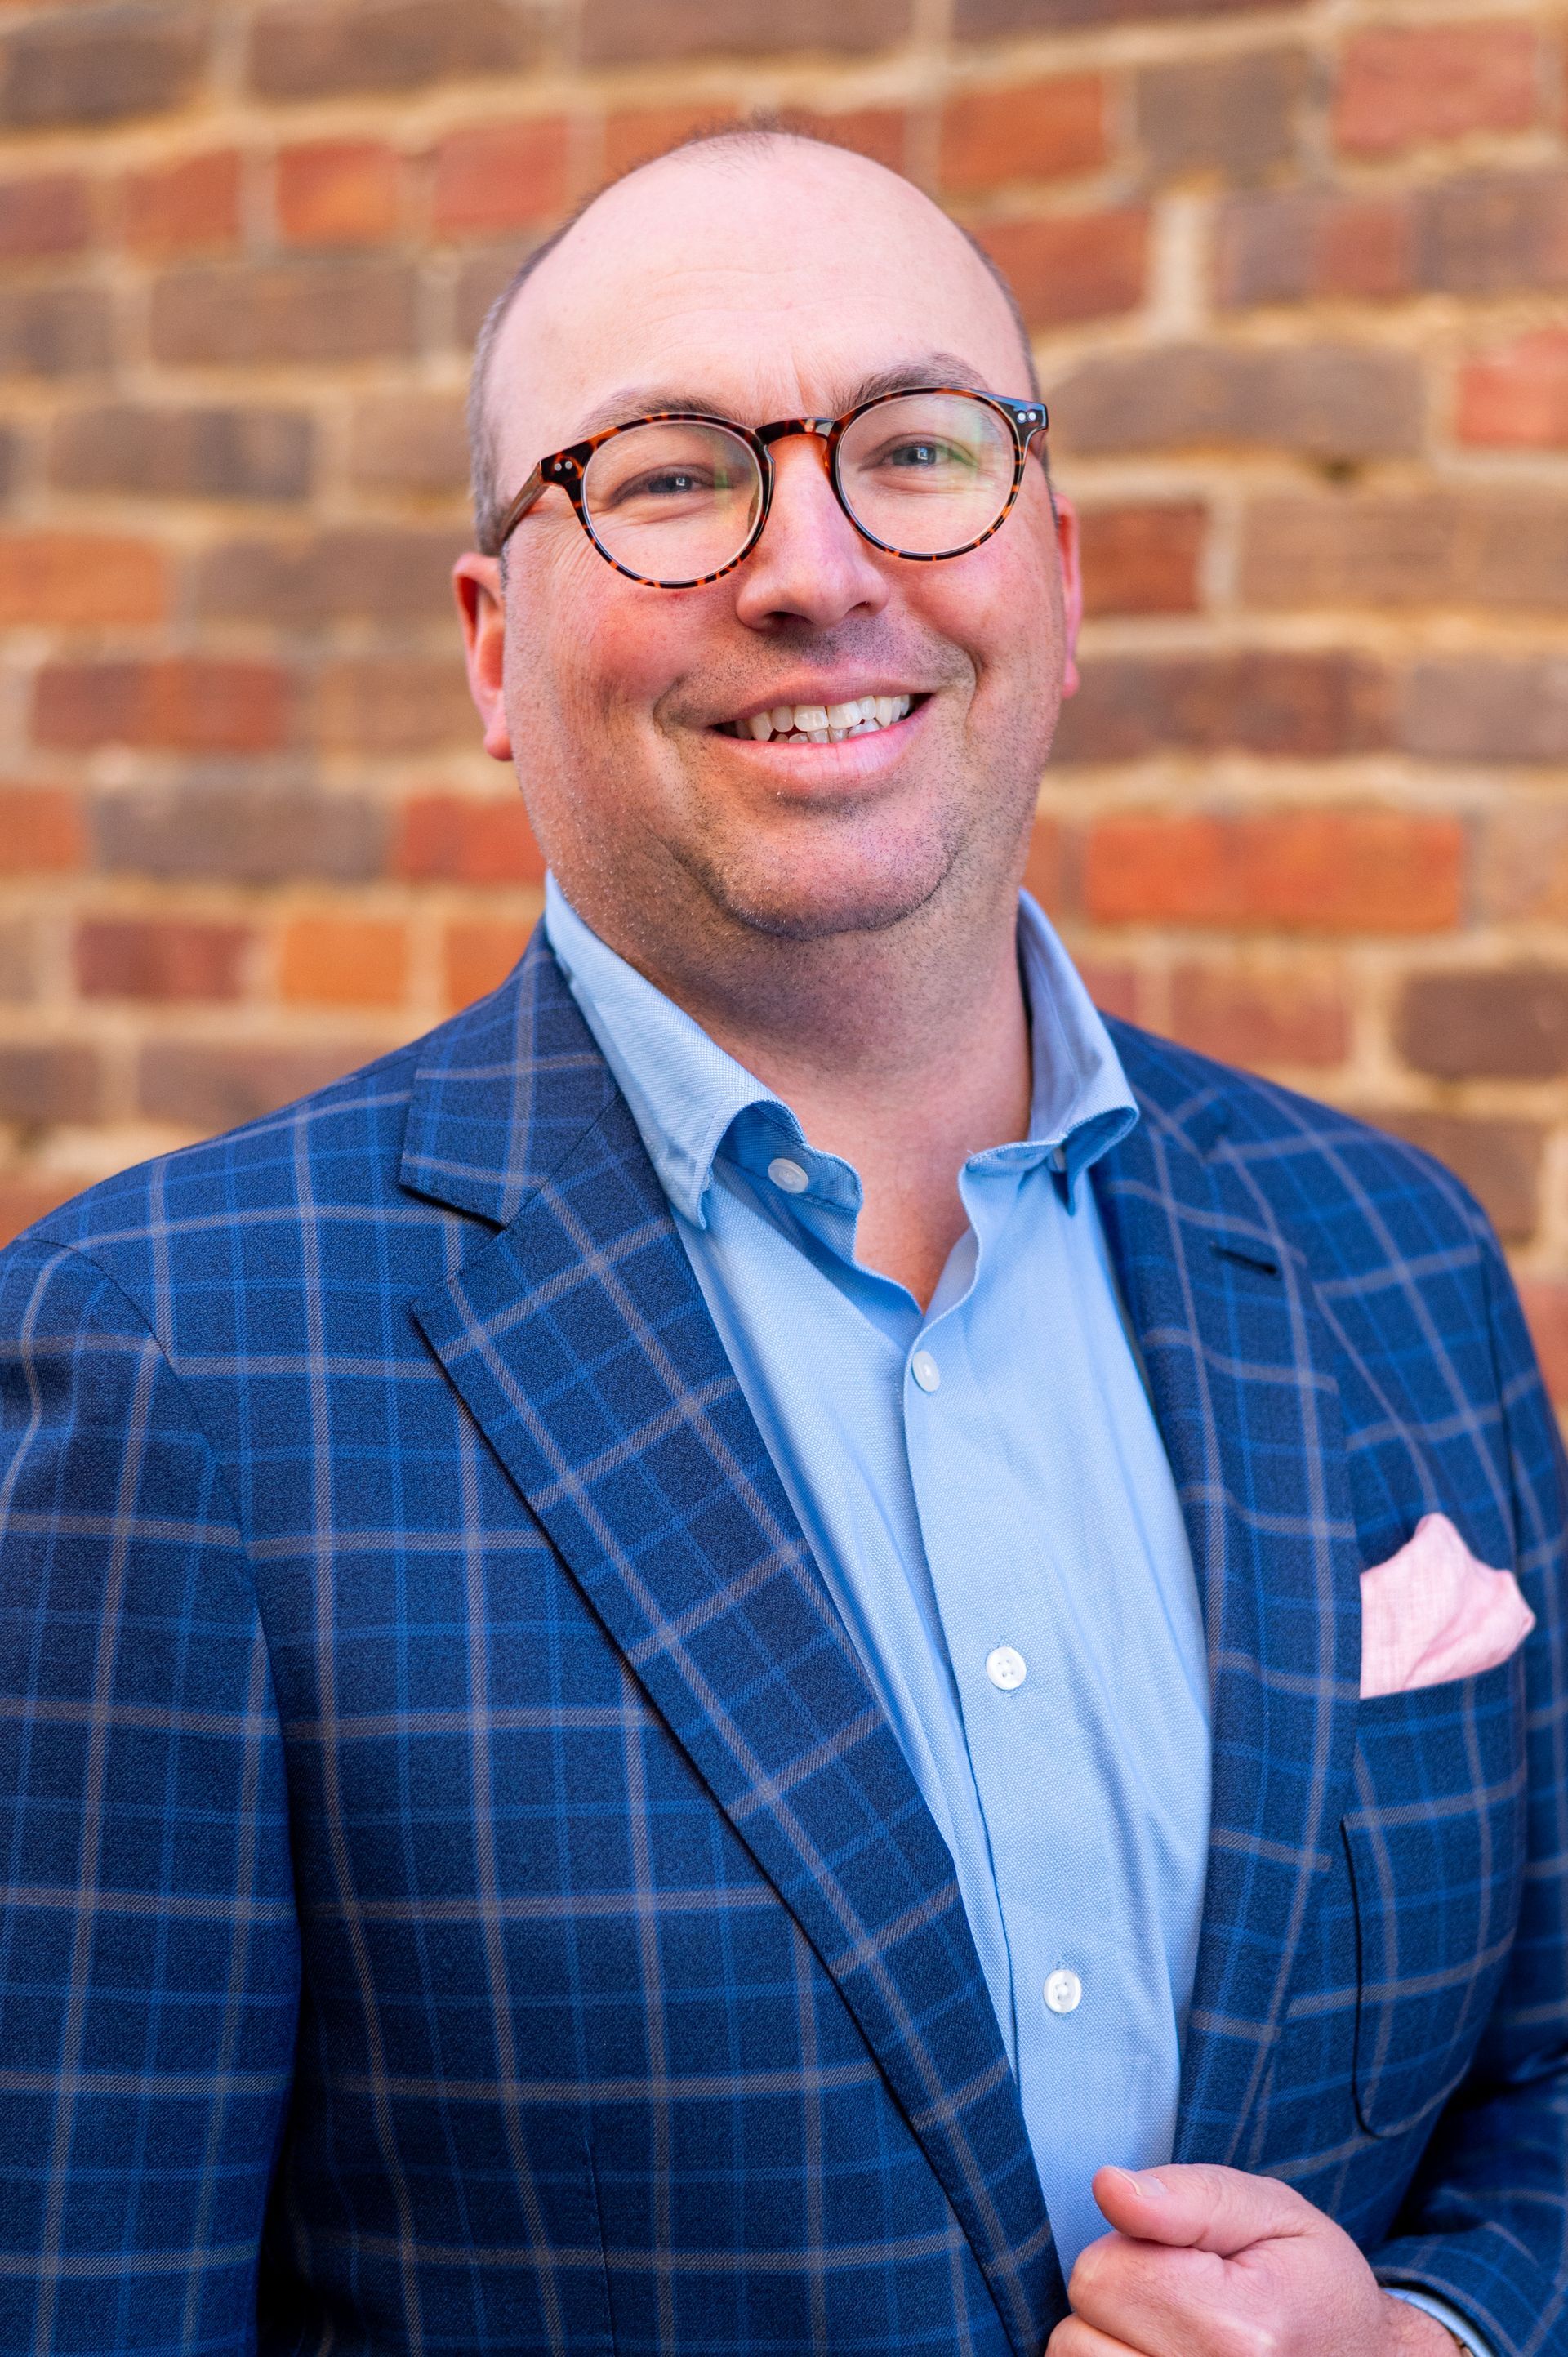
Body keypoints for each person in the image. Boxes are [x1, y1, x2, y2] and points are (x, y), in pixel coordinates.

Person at [0, 124, 1561, 2357]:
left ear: (1060, 574)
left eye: (919, 449)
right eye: (664, 476)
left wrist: (1435, 2336)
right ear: (490, 645)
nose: (819, 570)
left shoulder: (1392, 1258)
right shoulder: (174, 1369)